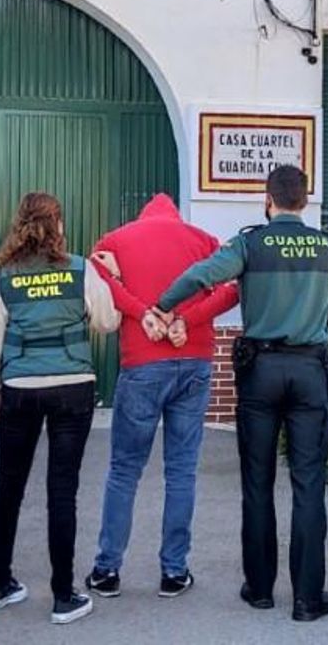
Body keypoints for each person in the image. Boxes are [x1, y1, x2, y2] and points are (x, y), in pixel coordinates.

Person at [152, 165, 328, 622]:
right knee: (308, 485)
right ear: (305, 199)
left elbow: (202, 276)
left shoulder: (251, 243)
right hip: (311, 370)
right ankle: (307, 600)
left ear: (268, 200)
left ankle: (259, 589)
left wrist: (162, 305)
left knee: (257, 483)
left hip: (261, 372)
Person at [0, 192, 121, 626]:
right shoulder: (81, 268)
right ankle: (63, 596)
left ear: (21, 225)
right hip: (72, 389)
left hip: (19, 388)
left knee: (9, 487)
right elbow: (108, 322)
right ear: (58, 225)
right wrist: (109, 276)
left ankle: (0, 585)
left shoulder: (6, 274)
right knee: (62, 492)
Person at [83, 194, 238, 600]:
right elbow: (230, 292)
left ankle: (107, 570)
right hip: (195, 362)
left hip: (142, 365)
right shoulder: (203, 240)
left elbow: (99, 282)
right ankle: (174, 571)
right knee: (181, 471)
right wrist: (186, 320)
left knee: (124, 471)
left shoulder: (116, 240)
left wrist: (143, 313)